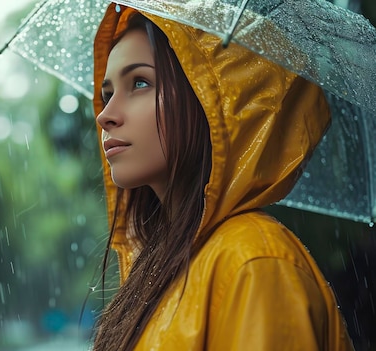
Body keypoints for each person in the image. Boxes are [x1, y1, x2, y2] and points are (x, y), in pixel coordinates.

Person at [90, 4, 354, 350]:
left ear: (211, 98)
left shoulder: (254, 261)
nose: (105, 116)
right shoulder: (167, 263)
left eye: (140, 83)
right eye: (107, 94)